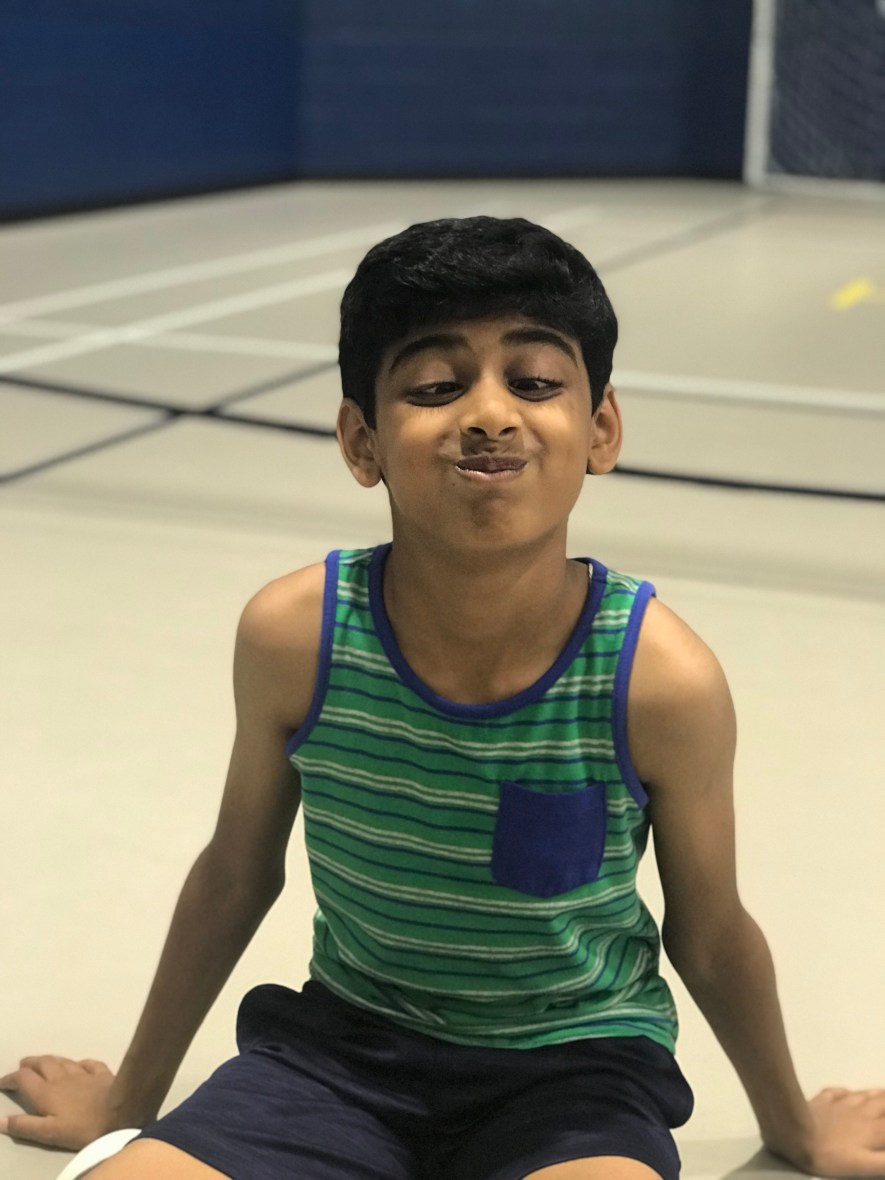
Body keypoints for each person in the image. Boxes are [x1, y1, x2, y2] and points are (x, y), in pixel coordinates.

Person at [1, 217, 883, 1180]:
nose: (490, 413)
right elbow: (233, 874)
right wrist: (126, 1105)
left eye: (534, 382)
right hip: (337, 1058)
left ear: (600, 429)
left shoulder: (658, 679)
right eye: (433, 386)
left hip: (573, 1077)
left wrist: (795, 1129)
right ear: (361, 440)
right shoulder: (297, 636)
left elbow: (710, 935)